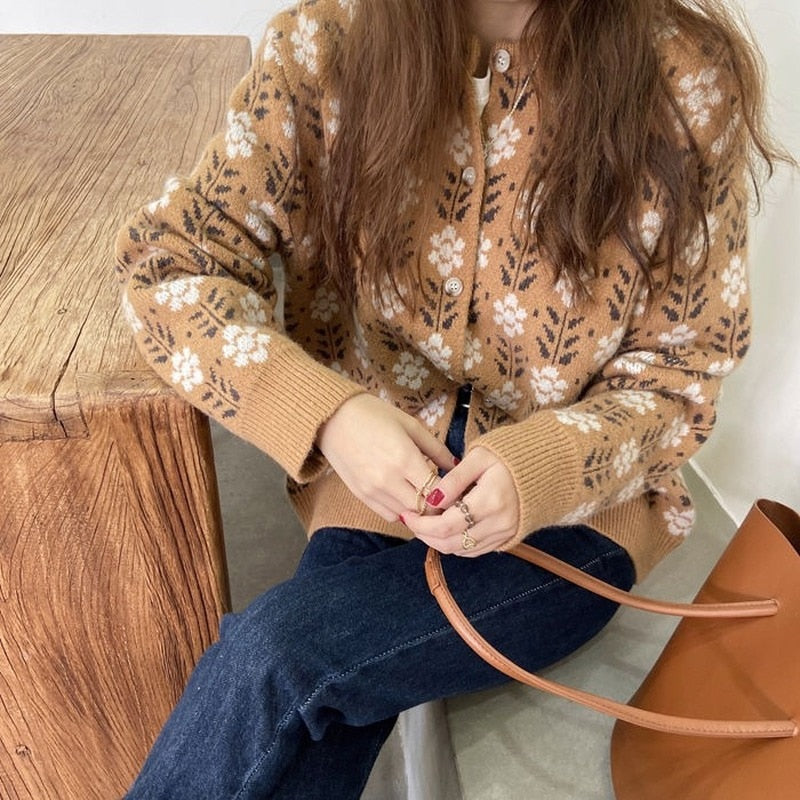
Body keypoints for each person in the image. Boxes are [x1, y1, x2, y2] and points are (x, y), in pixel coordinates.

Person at [114, 0, 784, 796]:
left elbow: (681, 372)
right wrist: (331, 416)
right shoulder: (326, 45)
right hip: (380, 492)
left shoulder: (682, 78)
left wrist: (541, 466)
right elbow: (169, 267)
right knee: (301, 692)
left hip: (577, 521)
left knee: (274, 656)